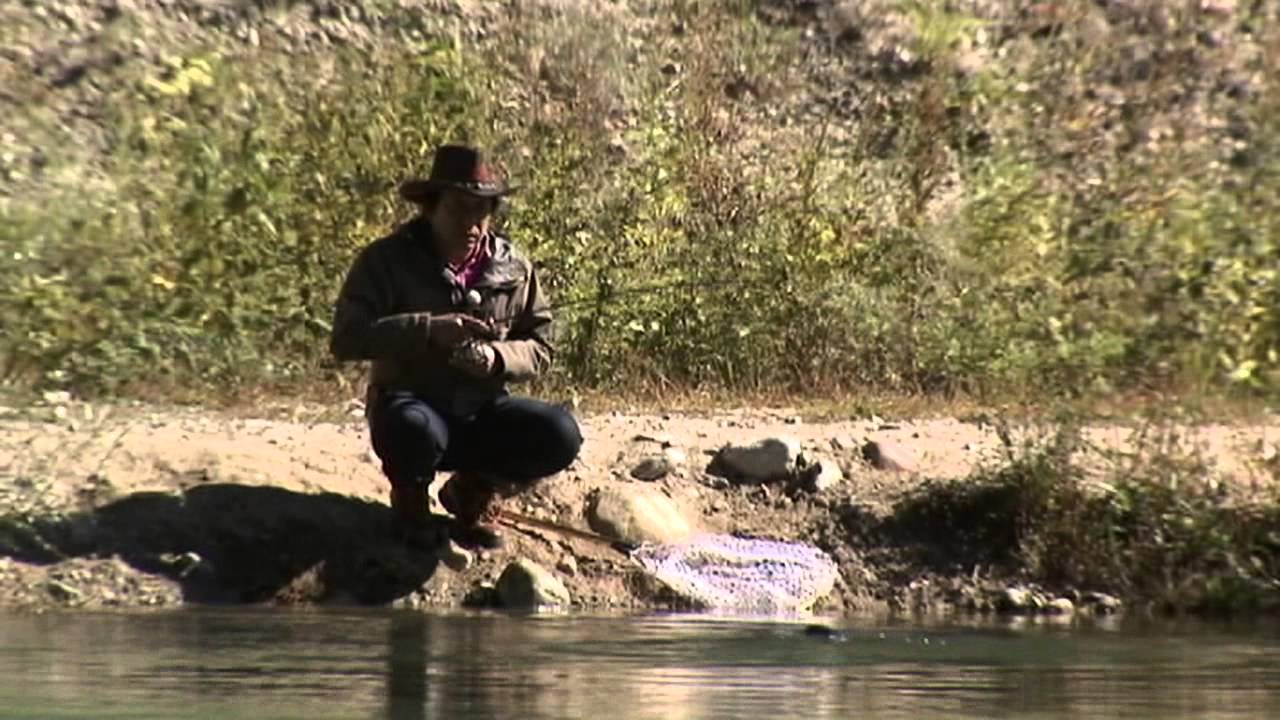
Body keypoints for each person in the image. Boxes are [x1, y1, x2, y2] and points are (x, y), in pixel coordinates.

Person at [329, 144, 582, 549]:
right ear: (431, 208)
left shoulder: (515, 267)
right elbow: (347, 338)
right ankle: (411, 502)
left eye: (480, 210)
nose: (470, 223)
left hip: (482, 412)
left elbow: (540, 346)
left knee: (560, 433)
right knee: (409, 424)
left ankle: (473, 493)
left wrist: (496, 358)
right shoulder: (386, 260)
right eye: (457, 209)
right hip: (411, 408)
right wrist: (427, 330)